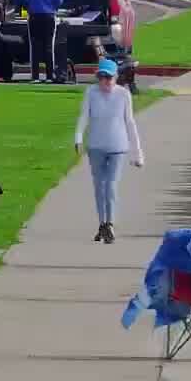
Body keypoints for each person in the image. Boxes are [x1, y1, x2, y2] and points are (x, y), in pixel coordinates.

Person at [74, 58, 144, 244]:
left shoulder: (123, 95)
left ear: (116, 77)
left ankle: (110, 223)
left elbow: (130, 122)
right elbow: (84, 116)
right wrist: (78, 138)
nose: (105, 81)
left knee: (111, 185)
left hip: (118, 147)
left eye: (109, 77)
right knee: (99, 186)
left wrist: (138, 153)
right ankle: (102, 223)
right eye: (101, 77)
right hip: (96, 146)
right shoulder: (91, 92)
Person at [15, 0, 65, 83]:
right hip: (49, 16)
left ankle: (35, 76)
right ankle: (49, 76)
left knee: (35, 46)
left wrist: (27, 6)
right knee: (49, 46)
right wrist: (52, 6)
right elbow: (59, 0)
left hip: (34, 16)